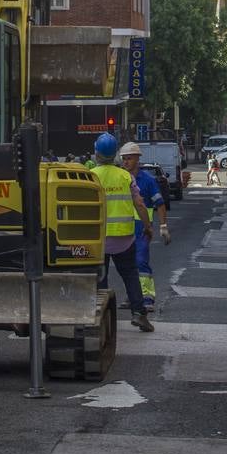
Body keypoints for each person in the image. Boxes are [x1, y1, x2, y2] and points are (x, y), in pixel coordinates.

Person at [91, 133, 154, 332]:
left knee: (100, 278)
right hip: (124, 238)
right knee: (130, 275)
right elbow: (140, 204)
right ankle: (139, 314)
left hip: (98, 238)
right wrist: (148, 227)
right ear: (115, 154)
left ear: (97, 153)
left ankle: (101, 317)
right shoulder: (125, 176)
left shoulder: (91, 175)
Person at [118, 141, 171, 312]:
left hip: (142, 228)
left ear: (137, 159)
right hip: (123, 227)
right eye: (124, 159)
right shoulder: (120, 178)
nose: (126, 162)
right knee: (127, 265)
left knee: (140, 262)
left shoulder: (147, 181)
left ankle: (147, 298)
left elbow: (160, 203)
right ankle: (132, 296)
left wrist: (163, 226)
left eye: (129, 158)